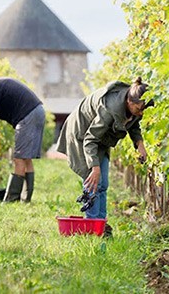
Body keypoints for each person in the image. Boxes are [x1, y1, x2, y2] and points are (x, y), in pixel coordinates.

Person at [56, 77, 153, 237]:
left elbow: (134, 123)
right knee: (94, 181)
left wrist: (140, 144)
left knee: (103, 184)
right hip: (82, 135)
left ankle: (100, 225)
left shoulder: (134, 105)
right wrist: (94, 168)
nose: (141, 112)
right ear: (129, 102)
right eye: (139, 109)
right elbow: (90, 139)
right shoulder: (110, 109)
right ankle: (92, 226)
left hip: (101, 137)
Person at [0, 77, 46, 203]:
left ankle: (11, 200)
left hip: (28, 116)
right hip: (36, 112)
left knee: (19, 158)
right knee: (26, 158)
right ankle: (25, 199)